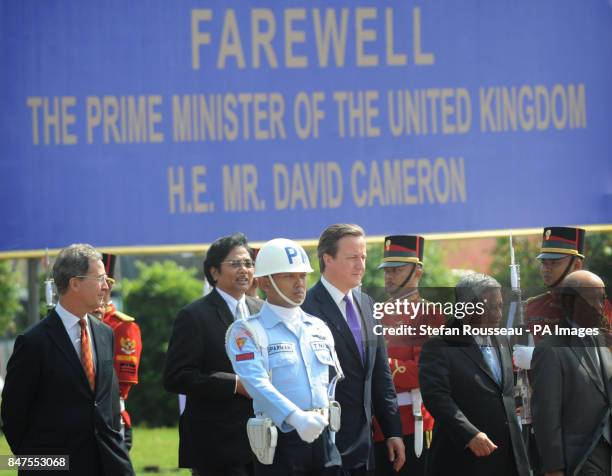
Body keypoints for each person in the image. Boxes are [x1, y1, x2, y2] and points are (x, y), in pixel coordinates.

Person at [1, 244, 134, 475]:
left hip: (107, 464)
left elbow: (108, 404)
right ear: (75, 283)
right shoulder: (33, 343)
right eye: (100, 278)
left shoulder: (105, 333)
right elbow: (14, 416)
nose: (106, 286)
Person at [226, 238, 343, 475]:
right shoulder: (246, 331)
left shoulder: (318, 327)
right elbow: (255, 383)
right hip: (280, 442)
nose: (299, 283)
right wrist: (296, 418)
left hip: (323, 438)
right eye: (289, 276)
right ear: (264, 282)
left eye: (302, 276)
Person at [301, 223, 405, 475]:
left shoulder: (367, 304)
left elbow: (380, 374)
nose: (361, 265)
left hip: (365, 445)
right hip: (324, 445)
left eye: (363, 257)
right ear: (328, 259)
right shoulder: (306, 308)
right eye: (352, 258)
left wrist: (393, 431)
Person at [164, 233, 263, 476]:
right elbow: (177, 377)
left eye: (248, 264)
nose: (244, 270)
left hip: (264, 441)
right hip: (218, 446)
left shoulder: (262, 311)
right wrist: (234, 384)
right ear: (214, 272)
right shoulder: (194, 316)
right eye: (236, 264)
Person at [419, 273, 530, 476]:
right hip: (464, 459)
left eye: (500, 306)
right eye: (490, 307)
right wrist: (469, 434)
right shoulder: (439, 345)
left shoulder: (500, 339)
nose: (498, 314)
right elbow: (436, 397)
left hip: (508, 458)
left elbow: (501, 391)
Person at [372, 235, 445, 476]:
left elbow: (421, 372)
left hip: (412, 424)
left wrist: (378, 368)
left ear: (418, 271)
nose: (389, 276)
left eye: (397, 269)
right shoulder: (374, 312)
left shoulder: (430, 315)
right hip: (375, 424)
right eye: (387, 270)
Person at [531, 270, 611, 476]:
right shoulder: (551, 349)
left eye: (602, 298)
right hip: (578, 460)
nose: (600, 306)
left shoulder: (604, 342)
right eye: (592, 299)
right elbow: (546, 415)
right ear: (569, 303)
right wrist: (553, 468)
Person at [94, 253, 142, 451]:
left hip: (110, 417)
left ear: (109, 286)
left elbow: (121, 384)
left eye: (103, 283)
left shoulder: (122, 326)